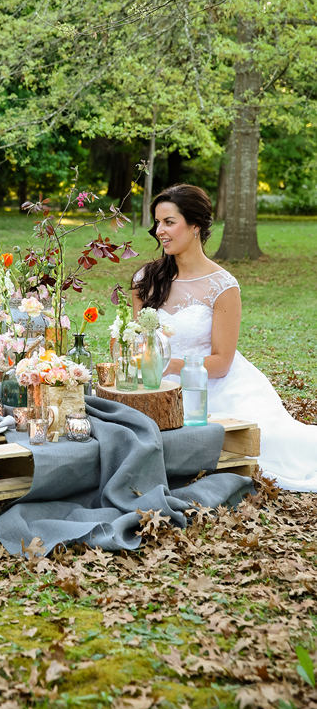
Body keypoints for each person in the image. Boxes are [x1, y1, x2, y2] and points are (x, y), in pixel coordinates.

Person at [132, 183, 317, 492]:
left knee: (277, 443)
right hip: (155, 386)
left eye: (168, 222)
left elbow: (221, 363)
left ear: (194, 226)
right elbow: (137, 341)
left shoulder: (223, 286)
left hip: (218, 387)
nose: (159, 231)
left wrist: (165, 363)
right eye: (157, 223)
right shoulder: (147, 279)